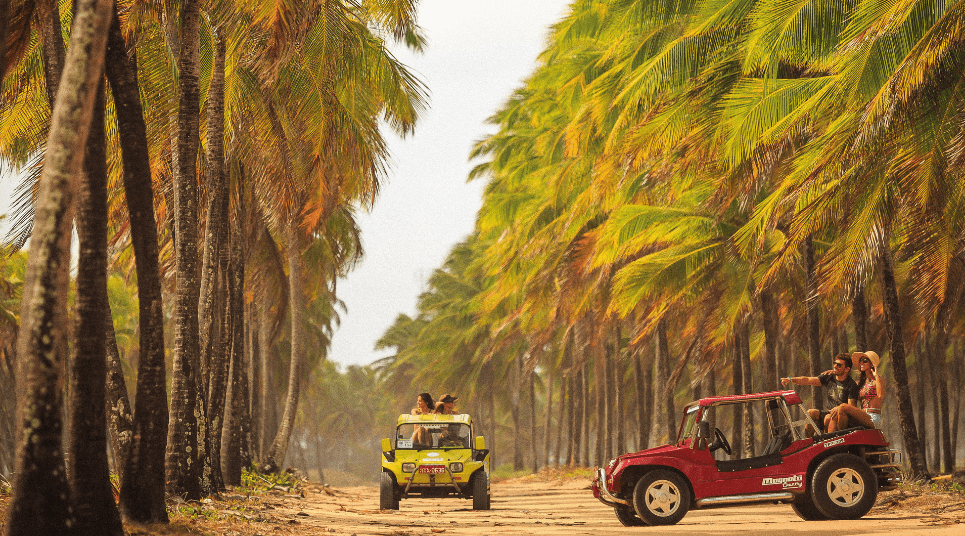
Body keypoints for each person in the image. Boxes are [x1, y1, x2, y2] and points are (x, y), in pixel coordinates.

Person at [781, 353, 859, 435]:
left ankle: (827, 444)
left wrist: (839, 409)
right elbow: (807, 380)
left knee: (828, 418)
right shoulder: (829, 377)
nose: (835, 366)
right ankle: (809, 443)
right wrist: (790, 379)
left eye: (839, 365)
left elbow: (851, 409)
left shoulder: (851, 385)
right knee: (811, 412)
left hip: (841, 418)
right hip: (829, 413)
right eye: (834, 363)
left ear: (846, 369)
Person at [827, 351, 884, 430]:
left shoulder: (878, 380)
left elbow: (880, 395)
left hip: (873, 417)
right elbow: (846, 384)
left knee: (842, 407)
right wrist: (835, 374)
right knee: (834, 414)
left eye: (864, 360)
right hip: (862, 416)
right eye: (860, 360)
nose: (861, 362)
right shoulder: (860, 383)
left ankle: (841, 436)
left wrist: (876, 375)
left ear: (872, 364)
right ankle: (830, 440)